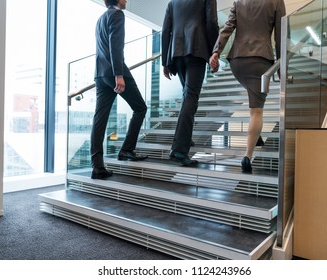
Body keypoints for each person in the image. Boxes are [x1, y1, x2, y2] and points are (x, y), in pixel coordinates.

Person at [209, 0, 286, 173]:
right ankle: (247, 157)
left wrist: (216, 52)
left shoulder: (238, 1)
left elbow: (227, 27)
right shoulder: (276, 1)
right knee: (256, 111)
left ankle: (256, 137)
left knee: (252, 96)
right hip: (261, 59)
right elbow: (281, 35)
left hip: (237, 61)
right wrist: (281, 64)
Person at [90, 0, 148, 180]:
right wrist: (119, 74)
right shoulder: (117, 14)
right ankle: (126, 150)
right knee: (140, 108)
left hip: (100, 74)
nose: (127, 0)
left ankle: (97, 167)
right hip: (115, 72)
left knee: (99, 119)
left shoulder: (101, 18)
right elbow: (116, 46)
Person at [161, 0, 219, 167]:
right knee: (191, 98)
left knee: (188, 97)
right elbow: (212, 23)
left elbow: (165, 31)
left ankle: (184, 138)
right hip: (196, 49)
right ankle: (179, 150)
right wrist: (215, 52)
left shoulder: (173, 2)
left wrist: (165, 61)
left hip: (176, 52)